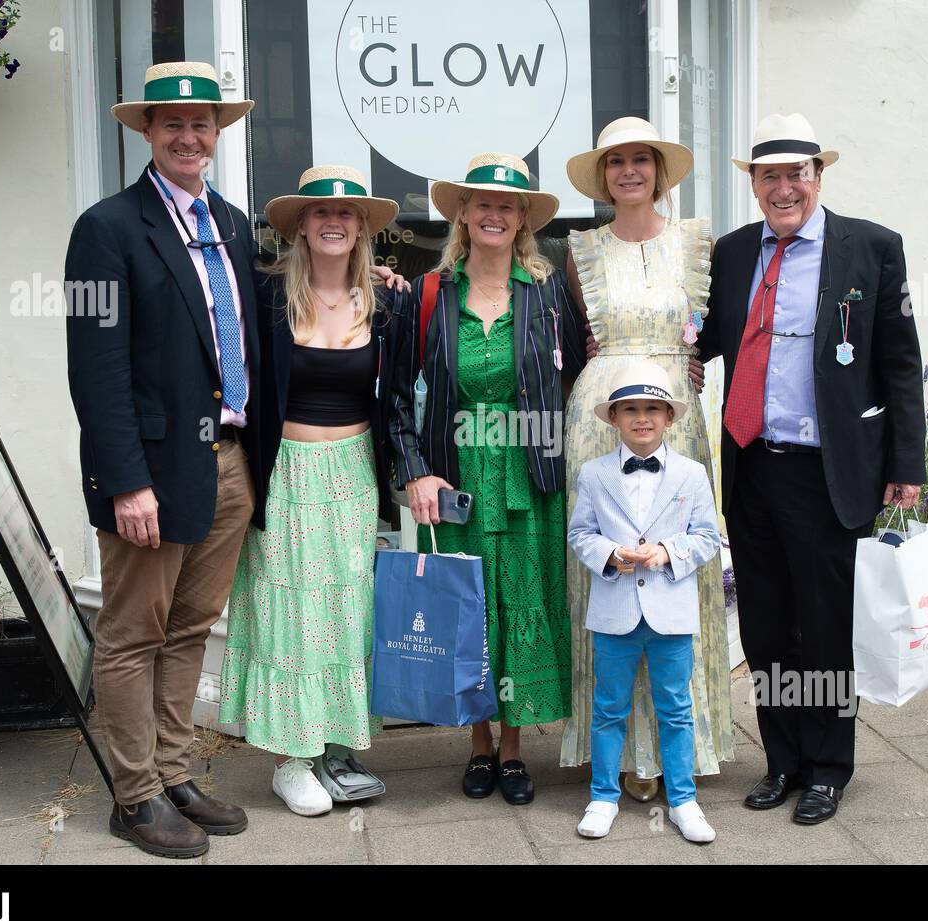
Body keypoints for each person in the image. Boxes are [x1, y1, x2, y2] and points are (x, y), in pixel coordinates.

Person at [696, 113, 925, 824]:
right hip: (752, 466)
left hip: (829, 471)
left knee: (823, 626)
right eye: (771, 175)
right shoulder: (733, 254)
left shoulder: (871, 248)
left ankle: (829, 766)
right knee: (766, 627)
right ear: (755, 184)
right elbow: (696, 338)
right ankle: (783, 759)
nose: (785, 187)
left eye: (798, 173)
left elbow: (899, 360)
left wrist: (906, 464)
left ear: (818, 177)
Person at [65, 61, 259, 858]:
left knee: (189, 629)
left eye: (202, 123)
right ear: (146, 131)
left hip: (231, 462)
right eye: (172, 123)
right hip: (151, 472)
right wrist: (126, 481)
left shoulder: (235, 223)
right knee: (131, 633)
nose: (189, 136)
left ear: (217, 133)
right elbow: (95, 369)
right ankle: (134, 793)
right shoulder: (105, 228)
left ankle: (174, 774)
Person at [389, 152, 587, 805]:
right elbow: (393, 396)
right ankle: (477, 746)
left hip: (532, 475)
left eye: (507, 204)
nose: (494, 214)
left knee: (521, 607)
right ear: (463, 215)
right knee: (466, 607)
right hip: (460, 477)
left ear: (522, 217)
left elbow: (584, 373)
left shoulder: (549, 291)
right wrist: (416, 472)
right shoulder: (428, 294)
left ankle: (513, 747)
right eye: (482, 203)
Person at [218, 166, 403, 816]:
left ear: (361, 228)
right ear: (299, 223)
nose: (333, 221)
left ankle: (332, 745)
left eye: (347, 213)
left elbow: (403, 396)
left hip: (352, 477)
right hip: (286, 474)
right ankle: (288, 760)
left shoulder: (387, 302)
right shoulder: (266, 295)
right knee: (288, 617)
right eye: (320, 211)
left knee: (345, 616)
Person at [559, 116, 732, 800]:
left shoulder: (697, 242)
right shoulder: (579, 251)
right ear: (602, 177)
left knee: (676, 566)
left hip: (676, 418)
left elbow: (722, 328)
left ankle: (678, 747)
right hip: (598, 417)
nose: (628, 170)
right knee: (606, 570)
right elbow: (570, 337)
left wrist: (687, 366)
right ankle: (618, 754)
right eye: (616, 162)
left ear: (659, 171)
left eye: (641, 159)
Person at [567, 362, 721, 843]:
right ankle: (602, 796)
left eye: (653, 409)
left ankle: (682, 799)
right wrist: (611, 554)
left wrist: (666, 552)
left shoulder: (692, 474)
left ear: (669, 418)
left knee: (675, 707)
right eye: (630, 409)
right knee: (609, 706)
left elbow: (708, 538)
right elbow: (580, 534)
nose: (642, 418)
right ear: (613, 418)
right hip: (614, 611)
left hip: (670, 611)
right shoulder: (594, 474)